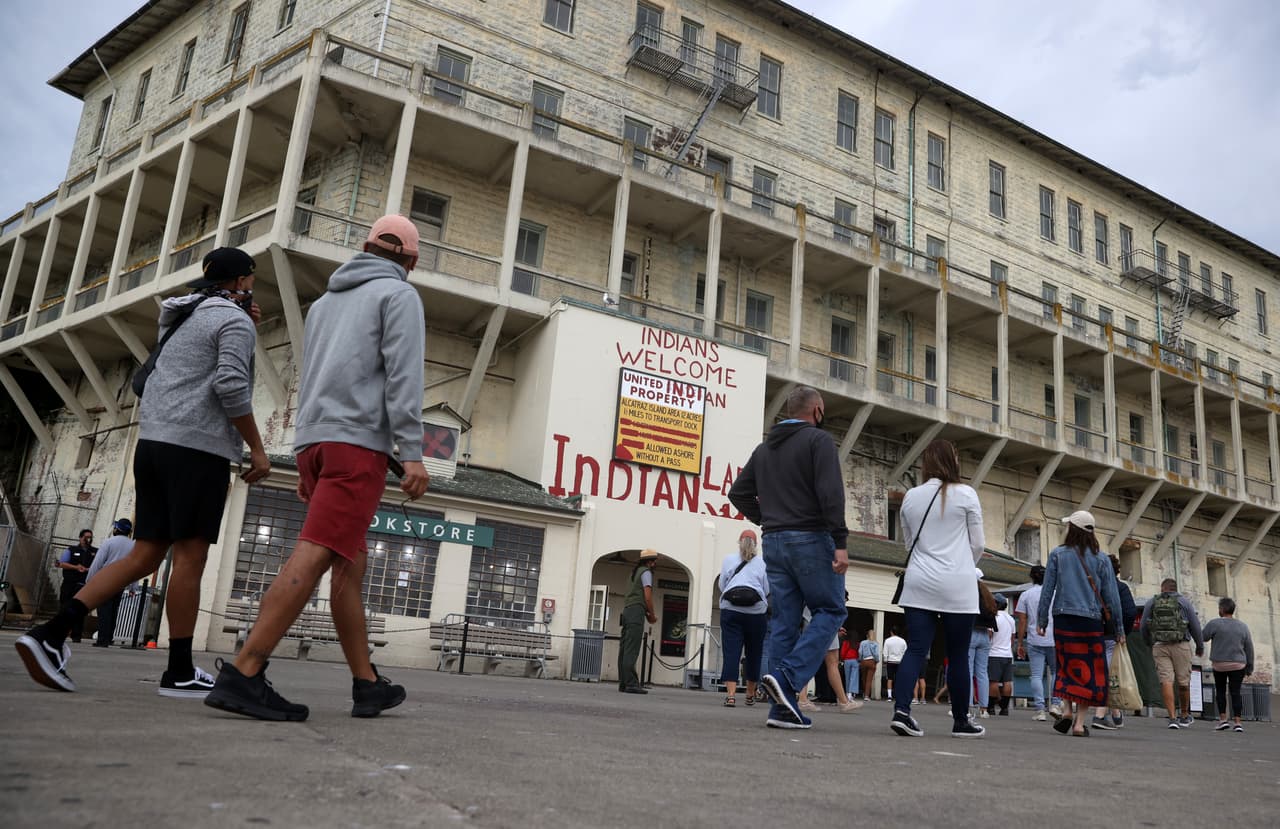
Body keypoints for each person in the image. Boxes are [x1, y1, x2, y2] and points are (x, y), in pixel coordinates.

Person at [16, 247, 270, 695]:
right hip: (196, 450)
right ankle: (178, 671)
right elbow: (230, 385)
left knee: (144, 555)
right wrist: (257, 448)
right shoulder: (233, 321)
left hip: (153, 445)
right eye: (250, 279)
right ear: (240, 283)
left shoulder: (184, 316)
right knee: (190, 558)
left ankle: (51, 633)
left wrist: (242, 320)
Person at [205, 217, 427, 722]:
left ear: (366, 247)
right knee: (316, 554)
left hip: (316, 441)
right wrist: (412, 451)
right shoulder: (399, 296)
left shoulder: (325, 303)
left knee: (349, 560)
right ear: (411, 261)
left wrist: (306, 449)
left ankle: (366, 683)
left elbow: (312, 373)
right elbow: (403, 375)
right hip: (356, 447)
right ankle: (245, 670)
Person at [728, 385, 848, 730]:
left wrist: (766, 519)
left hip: (774, 541)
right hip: (811, 536)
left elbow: (738, 493)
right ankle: (788, 676)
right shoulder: (818, 441)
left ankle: (781, 710)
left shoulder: (764, 449)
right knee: (831, 610)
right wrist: (840, 541)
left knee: (784, 621)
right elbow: (830, 493)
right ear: (817, 410)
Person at [889, 438, 986, 739]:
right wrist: (961, 564)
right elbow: (978, 544)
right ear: (953, 461)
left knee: (916, 648)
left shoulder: (911, 497)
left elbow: (908, 544)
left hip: (920, 581)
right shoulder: (967, 494)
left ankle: (902, 712)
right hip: (958, 584)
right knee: (958, 654)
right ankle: (961, 721)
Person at [1036, 511, 1123, 737]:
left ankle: (1066, 711)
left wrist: (1042, 619)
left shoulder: (1057, 554)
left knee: (1066, 665)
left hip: (1064, 617)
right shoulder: (1102, 559)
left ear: (1072, 529)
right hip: (1091, 621)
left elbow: (1047, 589)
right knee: (1088, 670)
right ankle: (1079, 723)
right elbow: (1112, 597)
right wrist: (1119, 628)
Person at [1139, 577, 1204, 729]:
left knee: (1166, 681)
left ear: (1162, 588)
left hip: (1160, 645)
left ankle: (1172, 718)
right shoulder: (1184, 602)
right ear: (1175, 589)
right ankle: (1184, 715)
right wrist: (1200, 646)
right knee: (1183, 682)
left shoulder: (1152, 602)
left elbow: (1143, 626)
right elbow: (1195, 626)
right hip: (1181, 645)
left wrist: (1149, 642)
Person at [718, 529, 769, 707]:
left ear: (739, 542)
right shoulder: (762, 563)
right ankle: (749, 694)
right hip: (756, 612)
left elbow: (723, 585)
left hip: (731, 609)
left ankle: (731, 695)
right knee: (754, 653)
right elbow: (766, 589)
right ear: (756, 545)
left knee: (731, 652)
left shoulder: (728, 559)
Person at [1092, 554, 1137, 729]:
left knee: (1099, 673)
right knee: (1110, 674)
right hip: (1111, 635)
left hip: (1092, 634)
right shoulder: (1121, 588)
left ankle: (1115, 712)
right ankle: (1099, 715)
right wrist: (1123, 631)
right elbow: (1130, 612)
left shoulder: (1093, 586)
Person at [1202, 597, 1253, 733]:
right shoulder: (1243, 626)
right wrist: (1249, 667)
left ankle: (1223, 720)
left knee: (1220, 691)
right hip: (1238, 664)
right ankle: (1238, 722)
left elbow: (1203, 637)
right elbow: (1249, 648)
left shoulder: (1214, 623)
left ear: (1222, 609)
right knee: (1235, 692)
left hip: (1219, 664)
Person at [1015, 564, 1059, 721]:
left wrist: (1020, 642)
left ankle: (1040, 710)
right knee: (1056, 672)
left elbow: (1022, 620)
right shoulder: (1055, 593)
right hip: (1054, 637)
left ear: (1031, 577)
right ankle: (1055, 704)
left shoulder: (1025, 595)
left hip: (1034, 638)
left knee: (1036, 675)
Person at [85, 519, 134, 648]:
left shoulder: (109, 542)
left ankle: (102, 639)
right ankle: (109, 637)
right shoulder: (133, 545)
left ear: (117, 529)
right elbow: (136, 567)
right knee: (113, 611)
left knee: (104, 611)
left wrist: (89, 580)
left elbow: (97, 563)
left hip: (106, 580)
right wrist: (133, 587)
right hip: (121, 582)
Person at [617, 549, 660, 694]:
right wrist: (652, 615)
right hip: (636, 613)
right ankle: (631, 684)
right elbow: (647, 597)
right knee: (632, 648)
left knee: (624, 648)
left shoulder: (633, 573)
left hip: (627, 611)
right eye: (654, 561)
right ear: (650, 562)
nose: (655, 564)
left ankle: (623, 683)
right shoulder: (646, 572)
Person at [55, 530, 96, 643]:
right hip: (70, 584)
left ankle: (76, 635)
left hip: (84, 585)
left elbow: (99, 565)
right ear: (80, 538)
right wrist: (76, 567)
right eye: (86, 537)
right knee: (65, 608)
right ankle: (60, 632)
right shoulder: (71, 550)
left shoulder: (95, 552)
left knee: (80, 611)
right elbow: (61, 563)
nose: (88, 540)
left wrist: (88, 570)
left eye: (90, 537)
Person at [969, 574, 996, 719]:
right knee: (982, 672)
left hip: (971, 633)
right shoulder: (988, 597)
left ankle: (967, 706)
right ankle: (984, 708)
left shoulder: (969, 593)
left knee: (968, 671)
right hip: (985, 635)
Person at [987, 594, 1015, 716]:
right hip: (1007, 654)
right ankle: (1005, 708)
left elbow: (989, 636)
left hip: (994, 653)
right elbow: (1012, 639)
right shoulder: (1011, 619)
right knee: (1007, 681)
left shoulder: (993, 618)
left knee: (993, 681)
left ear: (996, 604)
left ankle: (991, 707)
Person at [883, 627, 906, 702]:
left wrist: (885, 660)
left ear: (891, 632)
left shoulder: (887, 640)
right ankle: (898, 695)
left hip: (890, 661)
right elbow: (905, 652)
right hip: (900, 662)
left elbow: (885, 652)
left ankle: (889, 696)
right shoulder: (903, 641)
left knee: (890, 679)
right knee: (899, 679)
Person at [858, 629, 880, 700]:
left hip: (864, 661)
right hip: (872, 661)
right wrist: (877, 660)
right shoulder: (876, 643)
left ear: (867, 635)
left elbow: (860, 652)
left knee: (864, 678)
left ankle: (864, 692)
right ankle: (866, 696)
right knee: (869, 680)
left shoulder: (863, 642)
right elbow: (876, 654)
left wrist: (860, 659)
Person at [840, 630, 860, 699]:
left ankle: (847, 692)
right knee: (854, 677)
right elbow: (859, 652)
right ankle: (851, 693)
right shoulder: (857, 643)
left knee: (847, 677)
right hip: (855, 660)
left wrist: (842, 659)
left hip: (847, 660)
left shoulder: (846, 642)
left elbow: (842, 652)